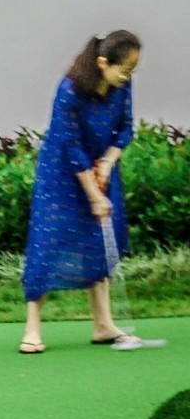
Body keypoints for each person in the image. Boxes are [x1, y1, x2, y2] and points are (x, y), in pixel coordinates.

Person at [21, 31, 141, 355]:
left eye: (132, 71)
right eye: (124, 70)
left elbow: (126, 128)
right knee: (47, 242)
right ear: (103, 63)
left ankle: (103, 325)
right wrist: (94, 194)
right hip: (60, 174)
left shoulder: (121, 85)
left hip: (101, 167)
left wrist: (108, 162)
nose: (127, 77)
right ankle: (32, 329)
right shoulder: (70, 90)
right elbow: (71, 146)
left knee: (98, 241)